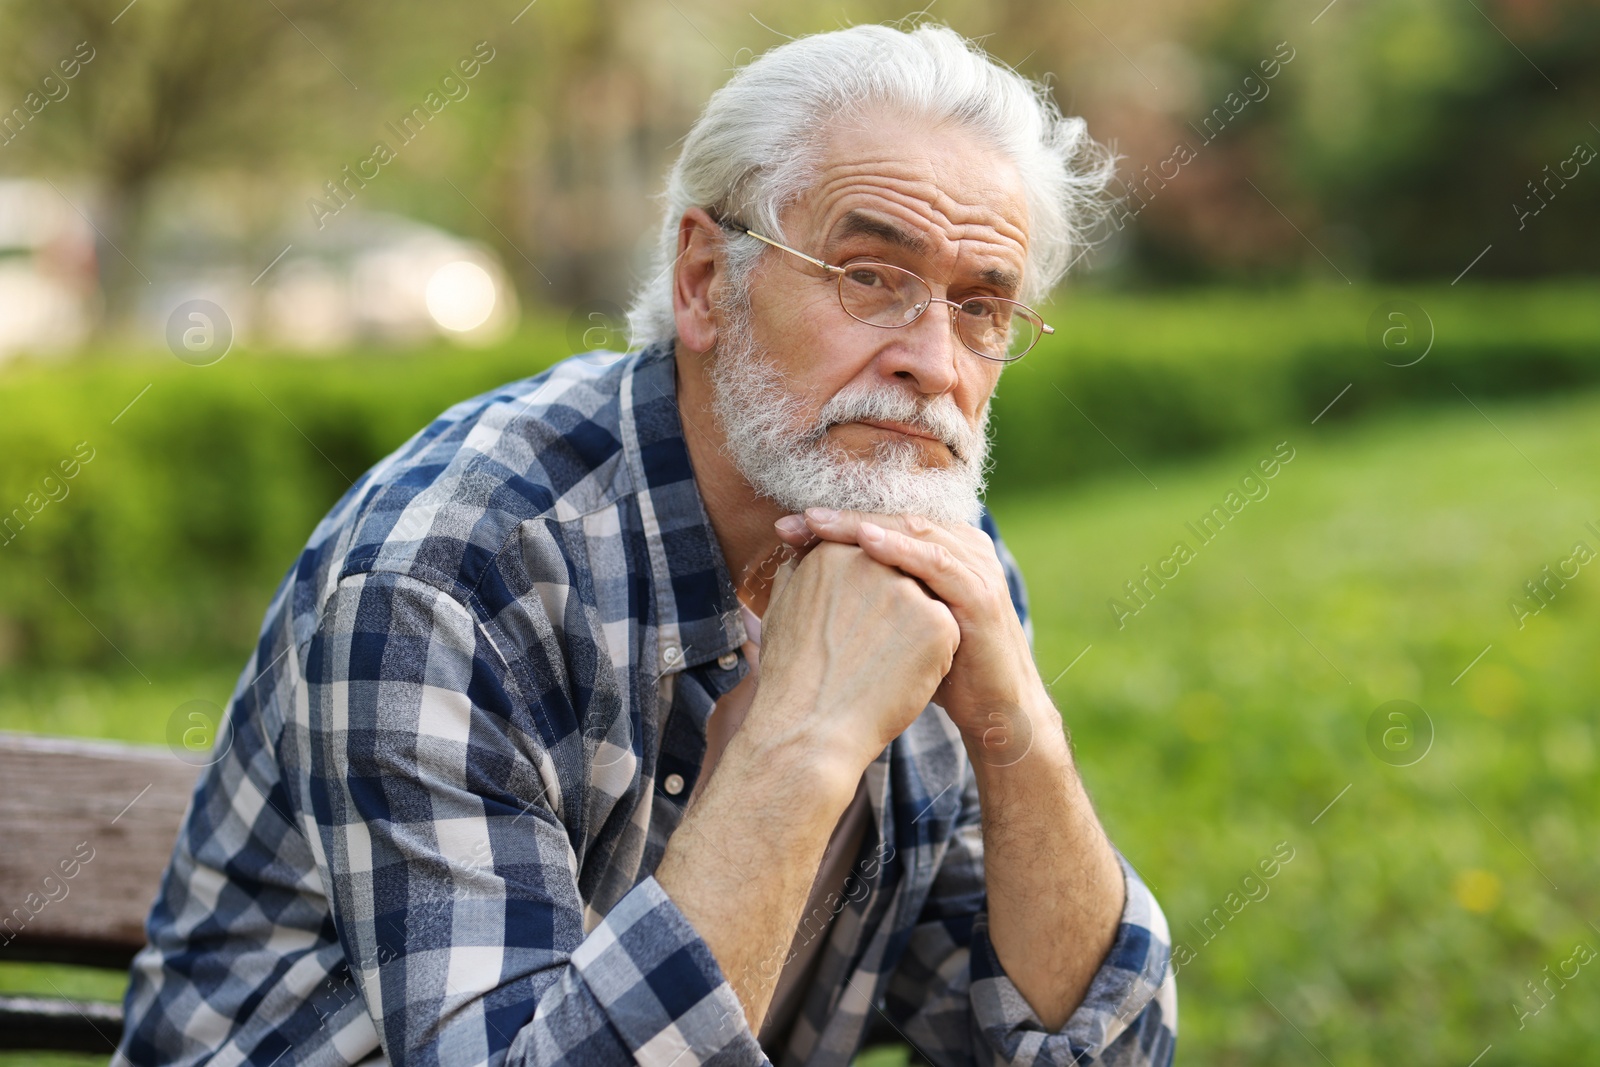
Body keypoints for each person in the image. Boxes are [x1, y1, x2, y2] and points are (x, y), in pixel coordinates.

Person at [116, 22, 1176, 1067]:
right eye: (868, 275)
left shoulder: (931, 558)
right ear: (706, 280)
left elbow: (1090, 1052)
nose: (935, 363)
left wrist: (1014, 726)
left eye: (982, 305)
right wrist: (798, 745)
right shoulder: (446, 577)